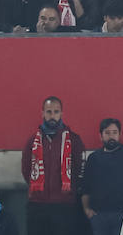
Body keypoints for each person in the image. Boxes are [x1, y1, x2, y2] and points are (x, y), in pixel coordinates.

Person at [23, 95, 86, 235]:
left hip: (64, 205)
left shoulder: (74, 140)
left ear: (62, 113)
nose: (52, 116)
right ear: (43, 113)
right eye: (49, 112)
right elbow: (26, 169)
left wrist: (69, 189)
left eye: (56, 112)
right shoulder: (32, 141)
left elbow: (79, 170)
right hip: (38, 204)